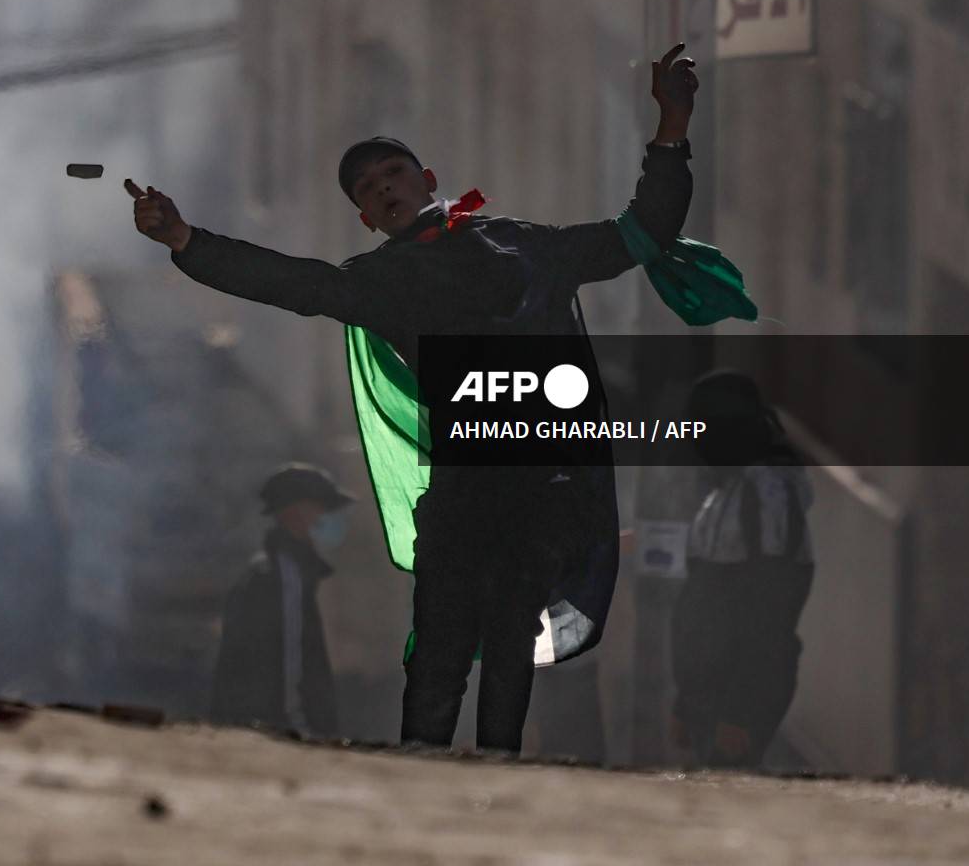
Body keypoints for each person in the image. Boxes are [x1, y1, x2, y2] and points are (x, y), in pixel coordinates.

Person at [130, 44, 736, 756]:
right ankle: (420, 777)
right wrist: (185, 240)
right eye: (367, 188)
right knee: (441, 643)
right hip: (462, 487)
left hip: (541, 487)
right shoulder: (378, 282)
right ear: (365, 217)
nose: (383, 187)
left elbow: (645, 231)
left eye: (392, 173)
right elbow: (289, 282)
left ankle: (496, 775)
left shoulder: (529, 246)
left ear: (428, 180)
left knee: (512, 640)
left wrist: (672, 123)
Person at [669, 369, 814, 770]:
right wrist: (685, 701)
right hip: (708, 692)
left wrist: (740, 712)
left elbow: (770, 612)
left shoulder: (767, 491)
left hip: (736, 696)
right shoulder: (724, 492)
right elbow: (698, 602)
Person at [209, 464, 353, 737]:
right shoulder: (281, 577)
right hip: (275, 733)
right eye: (321, 508)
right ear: (295, 513)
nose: (327, 518)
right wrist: (304, 732)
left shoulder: (286, 570)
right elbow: (290, 665)